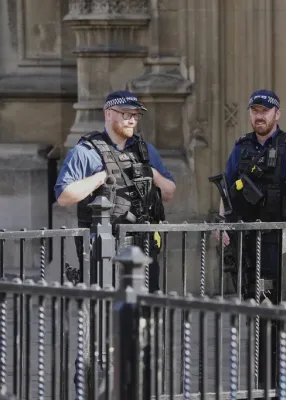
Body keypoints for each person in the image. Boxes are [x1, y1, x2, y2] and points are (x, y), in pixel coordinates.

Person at [54, 90, 176, 397]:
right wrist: (99, 179)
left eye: (136, 115)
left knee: (146, 324)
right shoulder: (87, 150)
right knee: (101, 327)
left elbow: (171, 191)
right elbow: (64, 196)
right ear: (109, 114)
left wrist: (151, 175)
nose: (132, 119)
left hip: (144, 250)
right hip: (104, 253)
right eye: (126, 114)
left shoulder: (144, 150)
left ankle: (140, 387)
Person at [211, 89, 286, 386]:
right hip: (247, 243)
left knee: (281, 315)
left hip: (278, 245)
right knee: (258, 317)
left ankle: (285, 384)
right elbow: (226, 190)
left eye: (265, 110)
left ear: (276, 114)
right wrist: (222, 224)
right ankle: (263, 385)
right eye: (255, 110)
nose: (259, 115)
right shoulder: (241, 148)